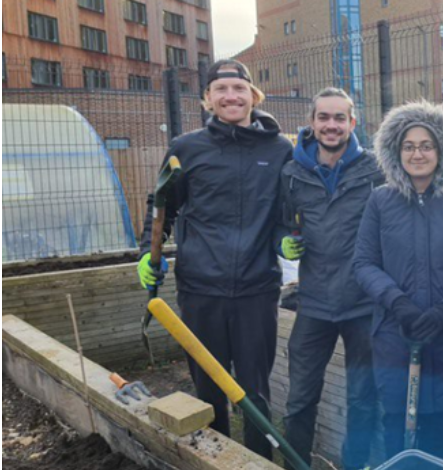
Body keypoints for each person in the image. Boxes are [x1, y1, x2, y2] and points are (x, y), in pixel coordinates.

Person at [137, 59, 293, 459]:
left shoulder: (278, 149)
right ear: (207, 99)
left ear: (253, 96)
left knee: (255, 389)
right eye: (220, 90)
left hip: (257, 289)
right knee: (208, 388)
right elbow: (162, 206)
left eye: (238, 89)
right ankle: (213, 461)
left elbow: (282, 215)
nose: (230, 96)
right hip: (200, 289)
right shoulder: (186, 149)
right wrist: (145, 254)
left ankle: (259, 462)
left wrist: (282, 241)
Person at [353, 101, 443, 461]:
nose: (418, 154)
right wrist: (398, 304)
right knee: (396, 423)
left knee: (439, 429)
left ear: (442, 150)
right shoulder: (380, 201)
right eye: (409, 146)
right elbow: (365, 263)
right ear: (395, 151)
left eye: (426, 145)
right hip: (395, 335)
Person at [276, 88, 383, 470]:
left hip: (364, 304)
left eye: (340, 118)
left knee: (362, 398)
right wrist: (283, 242)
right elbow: (281, 225)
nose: (331, 125)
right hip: (315, 301)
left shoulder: (375, 171)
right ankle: (295, 464)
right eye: (324, 117)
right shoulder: (292, 173)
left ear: (353, 123)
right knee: (300, 398)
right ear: (312, 122)